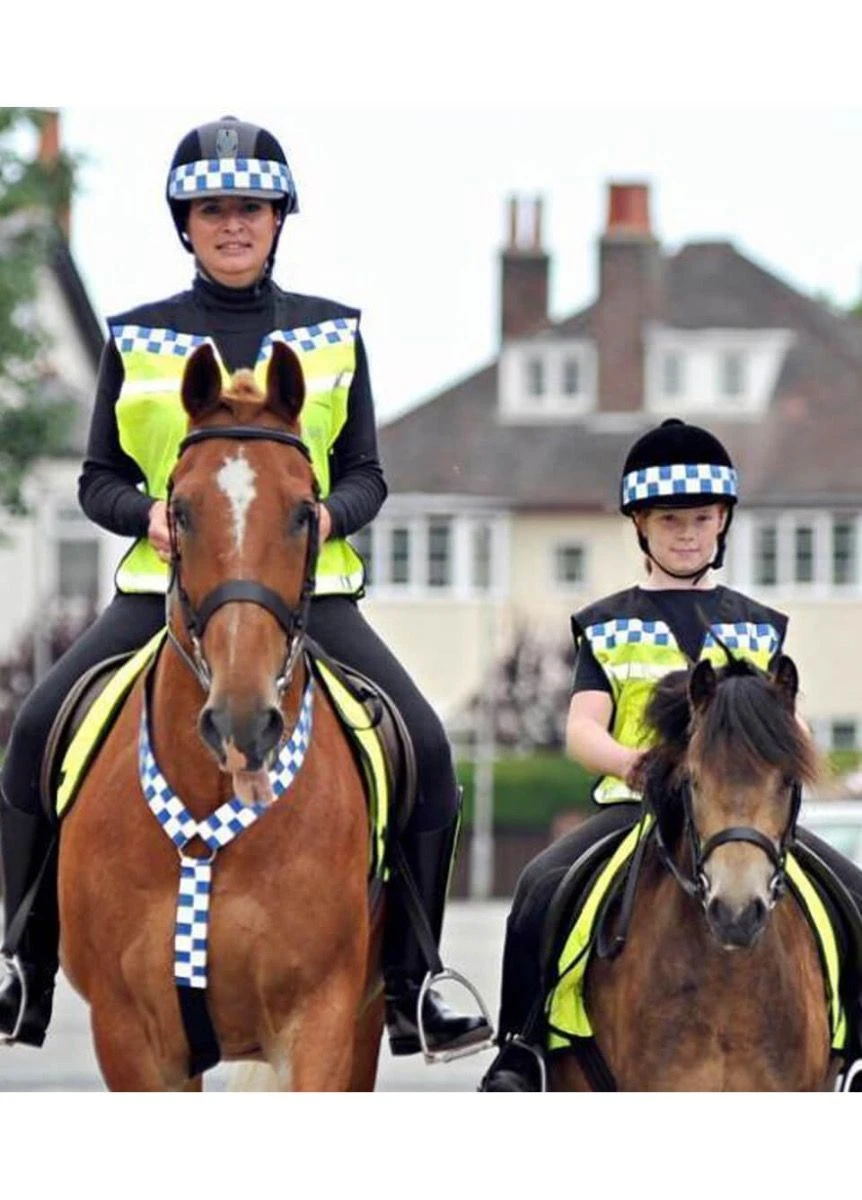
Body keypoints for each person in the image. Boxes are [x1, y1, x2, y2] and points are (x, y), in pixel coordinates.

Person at [0, 115, 491, 1059]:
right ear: (186, 222)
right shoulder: (136, 338)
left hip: (309, 600)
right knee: (31, 734)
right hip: (160, 594)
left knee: (426, 749)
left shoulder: (335, 335)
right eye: (214, 209)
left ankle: (416, 981)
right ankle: (21, 960)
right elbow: (94, 475)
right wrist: (141, 512)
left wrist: (316, 521)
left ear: (278, 220)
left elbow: (366, 473)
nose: (233, 225)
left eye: (252, 209)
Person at [479, 417, 862, 1090]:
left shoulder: (757, 626)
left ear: (722, 524)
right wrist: (634, 762)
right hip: (637, 811)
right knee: (540, 887)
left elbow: (789, 724)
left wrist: (791, 755)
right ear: (641, 527)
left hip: (740, 815)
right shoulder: (606, 624)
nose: (686, 535)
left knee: (853, 893)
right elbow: (581, 728)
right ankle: (523, 1053)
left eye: (700, 520)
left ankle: (856, 1049)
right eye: (669, 521)